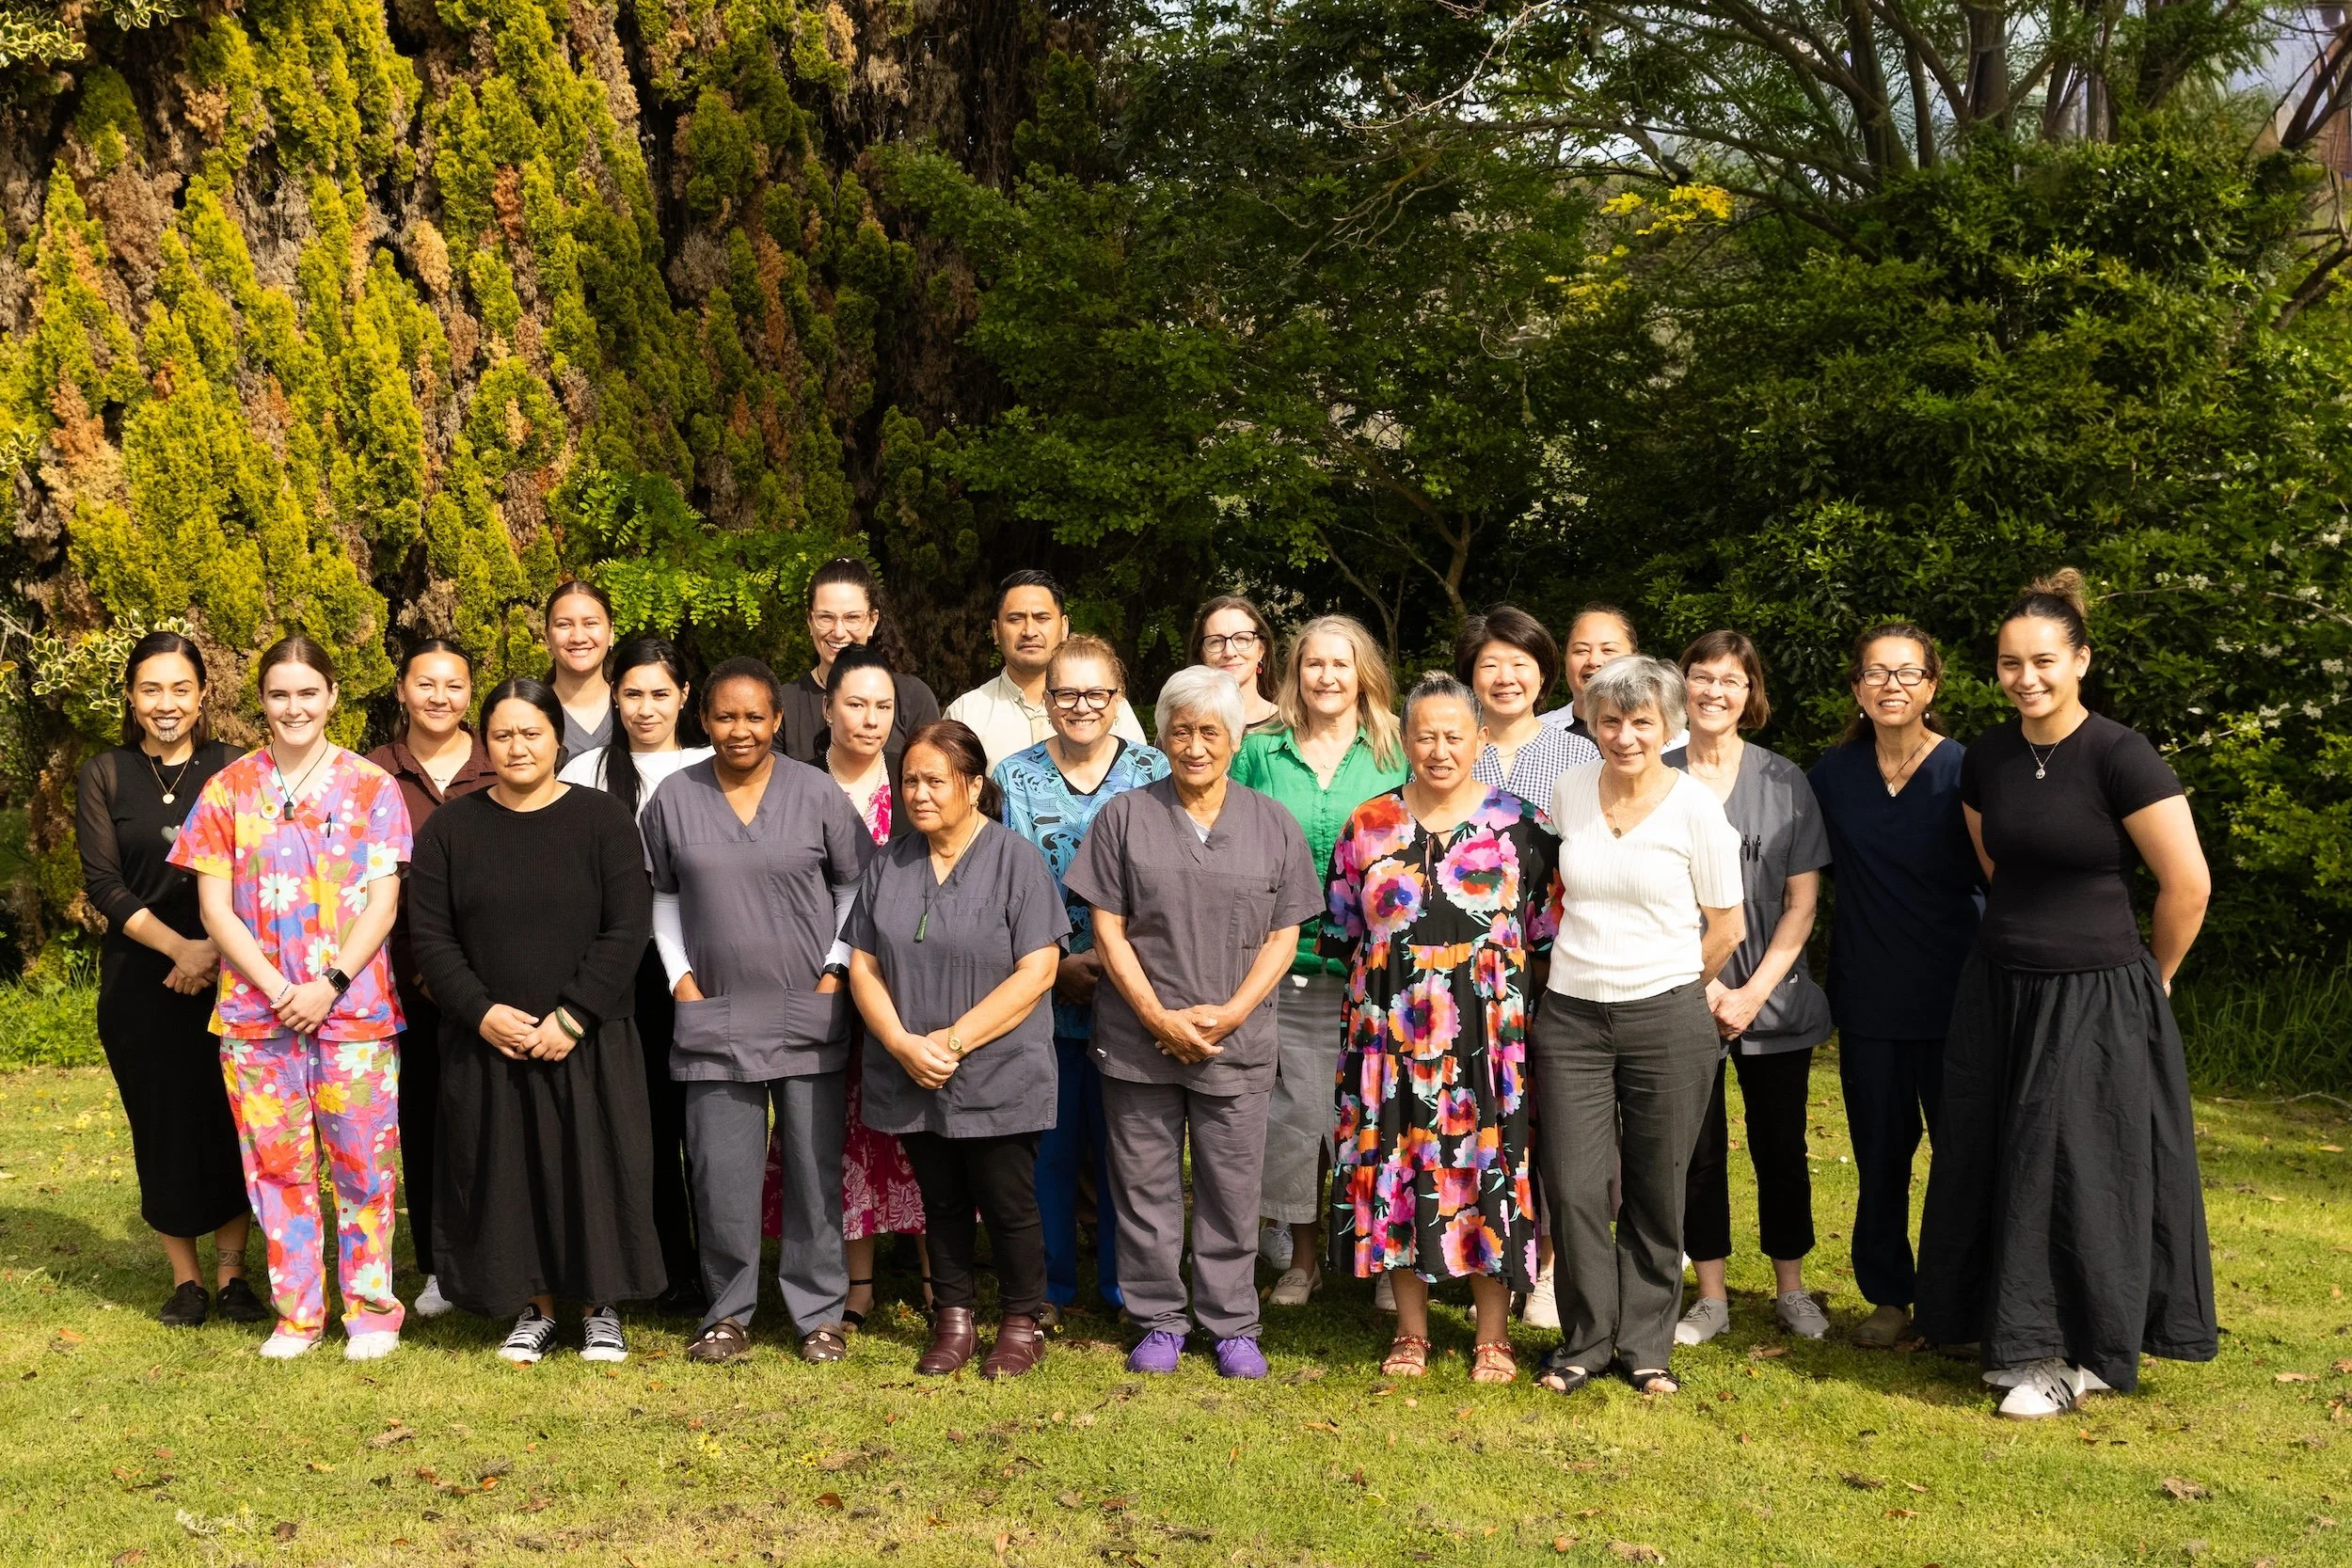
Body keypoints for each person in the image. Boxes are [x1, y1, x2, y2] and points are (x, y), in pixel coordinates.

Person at [1915, 570, 2217, 1418]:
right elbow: (1998, 867)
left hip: (2095, 994)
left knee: (2076, 1170)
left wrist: (2150, 979)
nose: (2026, 677)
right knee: (1994, 1156)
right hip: (2000, 988)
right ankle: (2009, 1332)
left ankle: (2071, 1354)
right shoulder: (1987, 756)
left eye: (2044, 660)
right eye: (2010, 663)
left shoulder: (2122, 754)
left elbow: (2186, 884)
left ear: (2080, 659)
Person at [1064, 667, 1322, 1380]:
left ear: (1235, 740)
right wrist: (1154, 1013)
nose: (1195, 744)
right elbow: (1106, 927)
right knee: (1145, 1185)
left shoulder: (1271, 824)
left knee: (1231, 1188)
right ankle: (1157, 1317)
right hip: (1138, 1040)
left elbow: (1284, 935)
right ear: (1162, 736)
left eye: (1211, 731)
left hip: (1234, 1044)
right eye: (1182, 730)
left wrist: (1235, 1011)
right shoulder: (1124, 817)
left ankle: (1232, 1320)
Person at [407, 678, 662, 1363]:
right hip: (491, 1038)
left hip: (588, 1034)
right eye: (503, 734)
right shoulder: (451, 830)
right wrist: (483, 1011)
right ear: (485, 743)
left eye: (531, 732)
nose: (517, 746)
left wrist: (575, 1013)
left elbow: (627, 925)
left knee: (594, 1168)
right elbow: (430, 935)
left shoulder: (603, 820)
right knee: (508, 1173)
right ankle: (534, 1306)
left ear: (557, 738)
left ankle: (601, 1306)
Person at [172, 636, 412, 1361]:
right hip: (257, 1013)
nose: (294, 706)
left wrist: (328, 983)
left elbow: (384, 902)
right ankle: (298, 1314)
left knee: (364, 1167)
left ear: (333, 695)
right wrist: (278, 988)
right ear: (262, 702)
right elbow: (215, 909)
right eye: (279, 694)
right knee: (276, 1166)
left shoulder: (373, 786)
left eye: (309, 692)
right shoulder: (228, 789)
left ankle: (371, 1311)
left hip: (355, 1011)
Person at [1322, 673, 1559, 1384]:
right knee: (1399, 1165)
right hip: (1389, 1034)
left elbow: (1544, 934)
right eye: (1424, 734)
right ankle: (1411, 1330)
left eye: (1455, 734)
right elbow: (1343, 927)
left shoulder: (1523, 824)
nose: (1439, 748)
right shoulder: (1368, 823)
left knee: (1489, 1165)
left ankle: (1493, 1335)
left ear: (1481, 738)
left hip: (1488, 1037)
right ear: (1405, 738)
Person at [638, 657, 875, 1367]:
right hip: (713, 1010)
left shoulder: (819, 794)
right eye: (723, 716)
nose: (739, 729)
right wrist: (681, 979)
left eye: (754, 716)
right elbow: (664, 896)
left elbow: (854, 888)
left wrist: (835, 971)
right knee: (720, 1170)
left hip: (809, 1007)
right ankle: (728, 1311)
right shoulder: (674, 799)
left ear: (778, 719)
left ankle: (818, 1314)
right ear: (702, 720)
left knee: (811, 1167)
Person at [1530, 656, 1743, 1397]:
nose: (1624, 735)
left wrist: (1673, 990)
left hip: (1667, 1017)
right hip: (1571, 1018)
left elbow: (1726, 926)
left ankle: (1647, 1343)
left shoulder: (1696, 808)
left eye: (1642, 721)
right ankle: (1586, 1340)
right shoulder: (1568, 790)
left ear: (1669, 726)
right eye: (1611, 719)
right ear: (1591, 721)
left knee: (1656, 1184)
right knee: (1578, 1184)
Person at [846, 720, 1068, 1379]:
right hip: (912, 1065)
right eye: (909, 779)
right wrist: (899, 1041)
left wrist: (952, 1039)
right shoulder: (889, 862)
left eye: (934, 780)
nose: (918, 792)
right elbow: (863, 966)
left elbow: (1040, 969)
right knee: (937, 1201)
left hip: (997, 1068)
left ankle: (1023, 1322)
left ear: (973, 786)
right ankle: (954, 1319)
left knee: (1007, 1201)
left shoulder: (1014, 859)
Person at [75, 631, 261, 1328]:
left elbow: (260, 868)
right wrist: (179, 948)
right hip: (138, 985)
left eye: (180, 688)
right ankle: (187, 1281)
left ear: (202, 693)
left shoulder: (235, 767)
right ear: (131, 694)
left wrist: (211, 948)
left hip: (232, 970)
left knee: (231, 1120)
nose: (166, 703)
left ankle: (235, 1273)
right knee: (162, 1125)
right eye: (151, 688)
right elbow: (103, 882)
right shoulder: (106, 772)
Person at [1806, 623, 1983, 1350]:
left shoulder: (1969, 771)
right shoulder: (1831, 775)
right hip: (1872, 993)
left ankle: (1964, 1302)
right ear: (1857, 688)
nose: (1892, 685)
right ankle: (1888, 1296)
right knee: (1880, 1153)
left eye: (1908, 673)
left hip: (1959, 997)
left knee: (1964, 1154)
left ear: (1933, 686)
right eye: (1877, 673)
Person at [1661, 631, 1835, 1347]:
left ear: (1750, 692)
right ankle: (1709, 1294)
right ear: (1682, 685)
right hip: (1680, 994)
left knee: (1780, 1146)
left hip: (1773, 996)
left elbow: (1802, 903)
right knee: (1696, 1151)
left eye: (1731, 680)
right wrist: (1703, 987)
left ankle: (1791, 1289)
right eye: (1702, 677)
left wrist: (1752, 991)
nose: (1714, 692)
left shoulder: (1784, 780)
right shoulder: (1653, 772)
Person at [1230, 614, 1405, 1307]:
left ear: (1364, 671)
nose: (1327, 676)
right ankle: (1302, 1260)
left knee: (1381, 1113)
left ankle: (1392, 1261)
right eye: (1313, 664)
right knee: (1297, 1117)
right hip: (1287, 962)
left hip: (1382, 969)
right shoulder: (1261, 751)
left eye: (1341, 663)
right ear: (1293, 672)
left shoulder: (1396, 748)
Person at [994, 635, 1169, 1323]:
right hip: (1043, 985)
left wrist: (1119, 963)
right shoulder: (1013, 776)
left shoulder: (1155, 769)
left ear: (1119, 697)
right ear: (1046, 698)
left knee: (1133, 1149)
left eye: (1097, 692)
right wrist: (1056, 963)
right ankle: (1048, 1287)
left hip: (1136, 989)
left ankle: (1133, 1288)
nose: (1081, 705)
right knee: (1051, 1148)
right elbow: (1005, 880)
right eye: (1066, 692)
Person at [559, 636, 713, 1317]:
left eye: (660, 693)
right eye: (632, 694)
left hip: (705, 965)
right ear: (612, 696)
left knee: (708, 1123)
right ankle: (660, 1265)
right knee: (641, 1121)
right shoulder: (586, 768)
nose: (645, 708)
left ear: (685, 695)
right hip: (622, 971)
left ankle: (719, 1267)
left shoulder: (713, 762)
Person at [1455, 605, 1597, 1327]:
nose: (1505, 676)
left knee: (1552, 1116)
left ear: (1545, 671)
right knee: (1478, 1113)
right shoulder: (1449, 745)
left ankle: (1544, 1267)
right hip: (1462, 974)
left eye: (1520, 662)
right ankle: (1469, 1250)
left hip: (1560, 960)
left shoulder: (1580, 754)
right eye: (1490, 664)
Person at [367, 639, 498, 1322]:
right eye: (426, 684)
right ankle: (439, 1266)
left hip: (495, 982)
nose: (440, 697)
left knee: (489, 1122)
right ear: (402, 690)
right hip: (406, 981)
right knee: (422, 1123)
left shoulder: (499, 760)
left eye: (454, 685)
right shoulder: (373, 774)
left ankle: (497, 1251)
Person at [802, 644, 929, 1326]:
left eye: (883, 706)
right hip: (817, 983)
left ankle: (943, 1278)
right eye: (855, 703)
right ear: (828, 708)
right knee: (843, 1130)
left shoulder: (917, 783)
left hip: (913, 984)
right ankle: (857, 1283)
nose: (870, 718)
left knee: (923, 1124)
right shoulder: (796, 785)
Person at [945, 570, 1146, 768]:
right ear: (996, 631)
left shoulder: (1106, 707)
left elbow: (1143, 784)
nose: (1029, 632)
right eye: (1015, 619)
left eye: (1042, 618)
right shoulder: (967, 714)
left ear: (1064, 626)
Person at [778, 556, 942, 773]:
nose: (838, 631)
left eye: (852, 617)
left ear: (873, 620)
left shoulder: (912, 697)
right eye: (826, 617)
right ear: (810, 621)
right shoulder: (784, 703)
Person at [1538, 603, 1639, 738]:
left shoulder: (1671, 738)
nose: (1593, 661)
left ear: (1635, 659)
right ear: (1565, 659)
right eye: (1581, 651)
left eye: (1608, 650)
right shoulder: (1536, 735)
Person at [1190, 595, 1283, 733]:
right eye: (1216, 641)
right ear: (1202, 653)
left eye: (1241, 639)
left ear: (1261, 650)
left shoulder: (1290, 725)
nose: (1229, 651)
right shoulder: (1181, 728)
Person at [546, 579, 615, 756]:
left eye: (590, 623)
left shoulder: (632, 708)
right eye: (564, 624)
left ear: (611, 633)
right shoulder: (533, 712)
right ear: (547, 636)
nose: (578, 637)